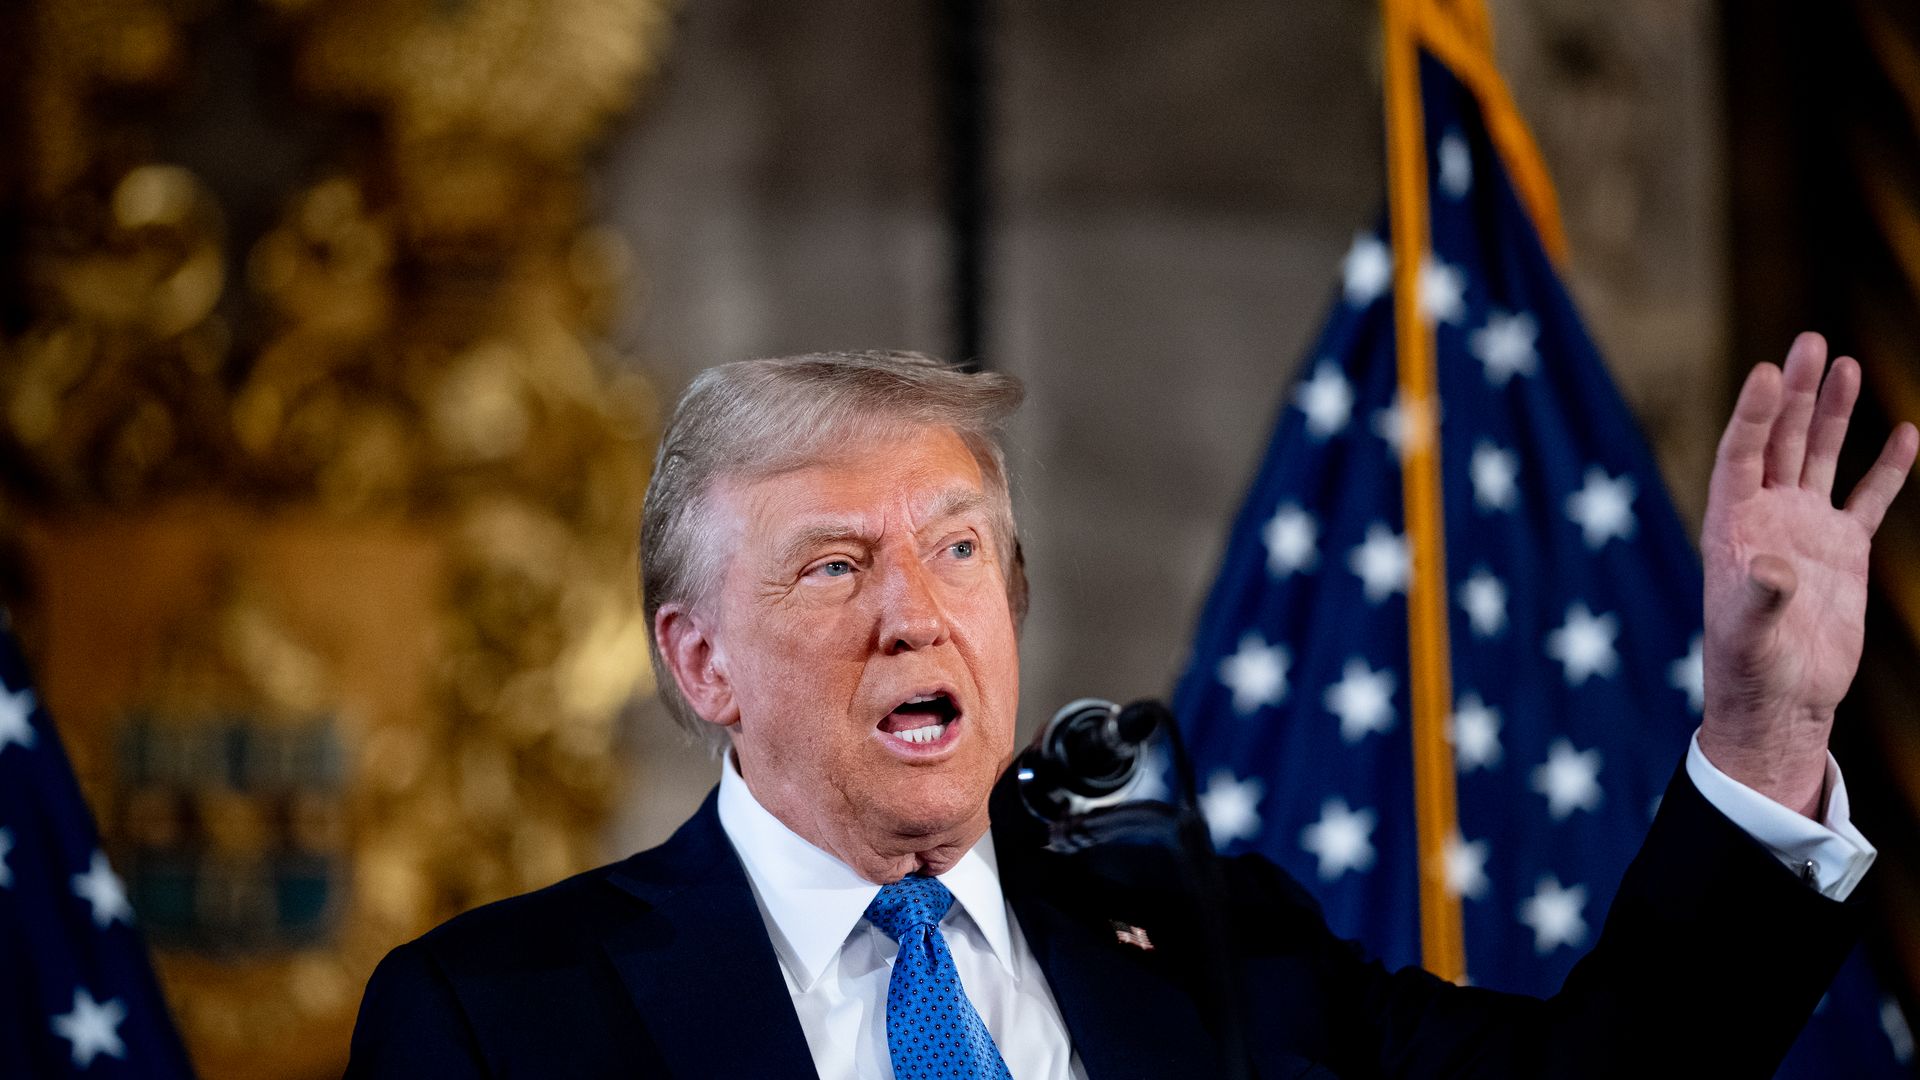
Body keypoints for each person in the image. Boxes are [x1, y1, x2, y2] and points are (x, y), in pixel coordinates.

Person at [346, 337, 1914, 1078]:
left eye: (957, 549)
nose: (915, 609)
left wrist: (1765, 729)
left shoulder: (1211, 953)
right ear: (700, 664)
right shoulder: (499, 1021)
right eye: (833, 567)